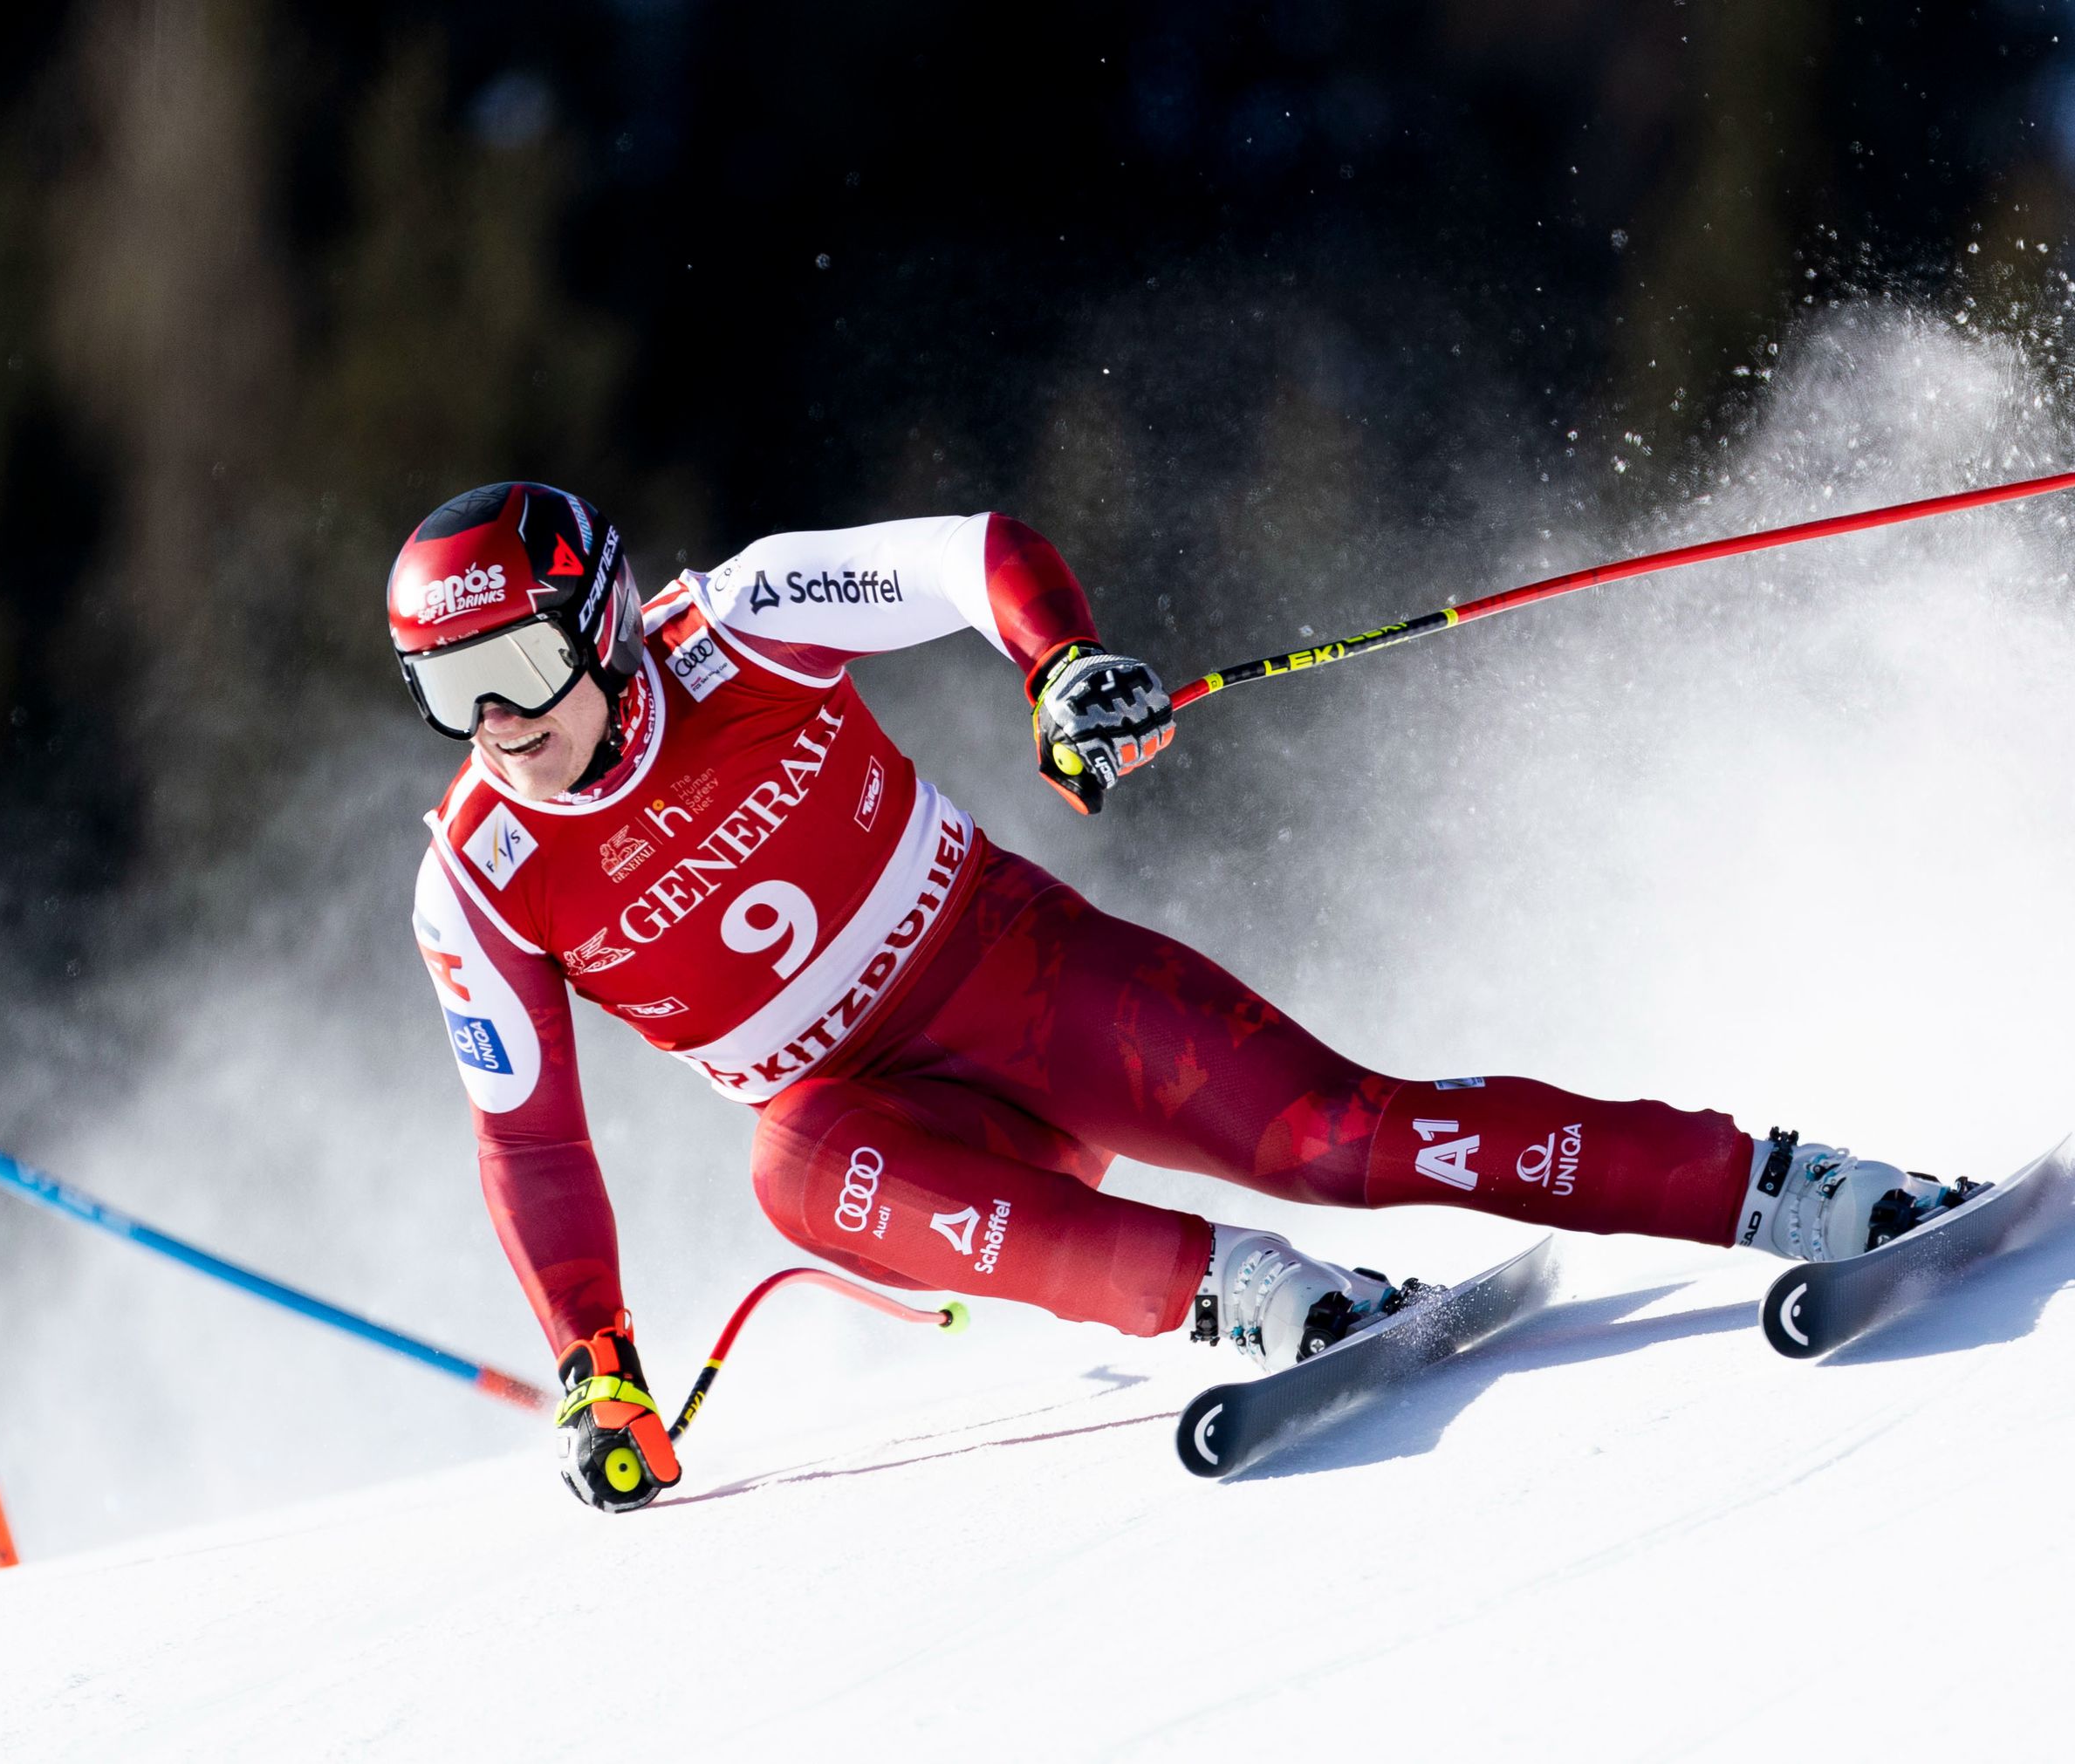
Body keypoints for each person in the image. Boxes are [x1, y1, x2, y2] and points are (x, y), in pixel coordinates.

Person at [393, 482, 1956, 1512]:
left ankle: (1803, 1190)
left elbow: (963, 554)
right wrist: (596, 1359)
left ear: (598, 620)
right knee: (790, 1170)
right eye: (448, 695)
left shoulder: (742, 621)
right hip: (885, 1127)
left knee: (1343, 1135)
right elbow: (529, 1141)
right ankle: (1267, 1297)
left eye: (516, 668)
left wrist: (1060, 667)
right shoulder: (478, 872)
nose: (496, 726)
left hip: (1013, 972)